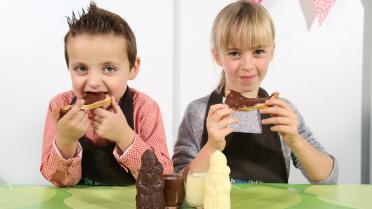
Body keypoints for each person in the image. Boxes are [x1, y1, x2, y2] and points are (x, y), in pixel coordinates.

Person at [173, 0, 338, 184]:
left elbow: (328, 179)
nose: (247, 66)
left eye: (258, 51)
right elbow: (178, 186)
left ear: (272, 52)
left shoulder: (283, 111)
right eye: (235, 53)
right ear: (218, 56)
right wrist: (211, 147)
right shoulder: (198, 112)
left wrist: (295, 140)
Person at [40, 2, 173, 187]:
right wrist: (65, 139)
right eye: (81, 68)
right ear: (69, 68)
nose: (93, 82)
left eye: (109, 68)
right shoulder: (59, 107)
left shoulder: (145, 109)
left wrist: (125, 136)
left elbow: (164, 176)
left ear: (133, 68)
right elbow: (57, 179)